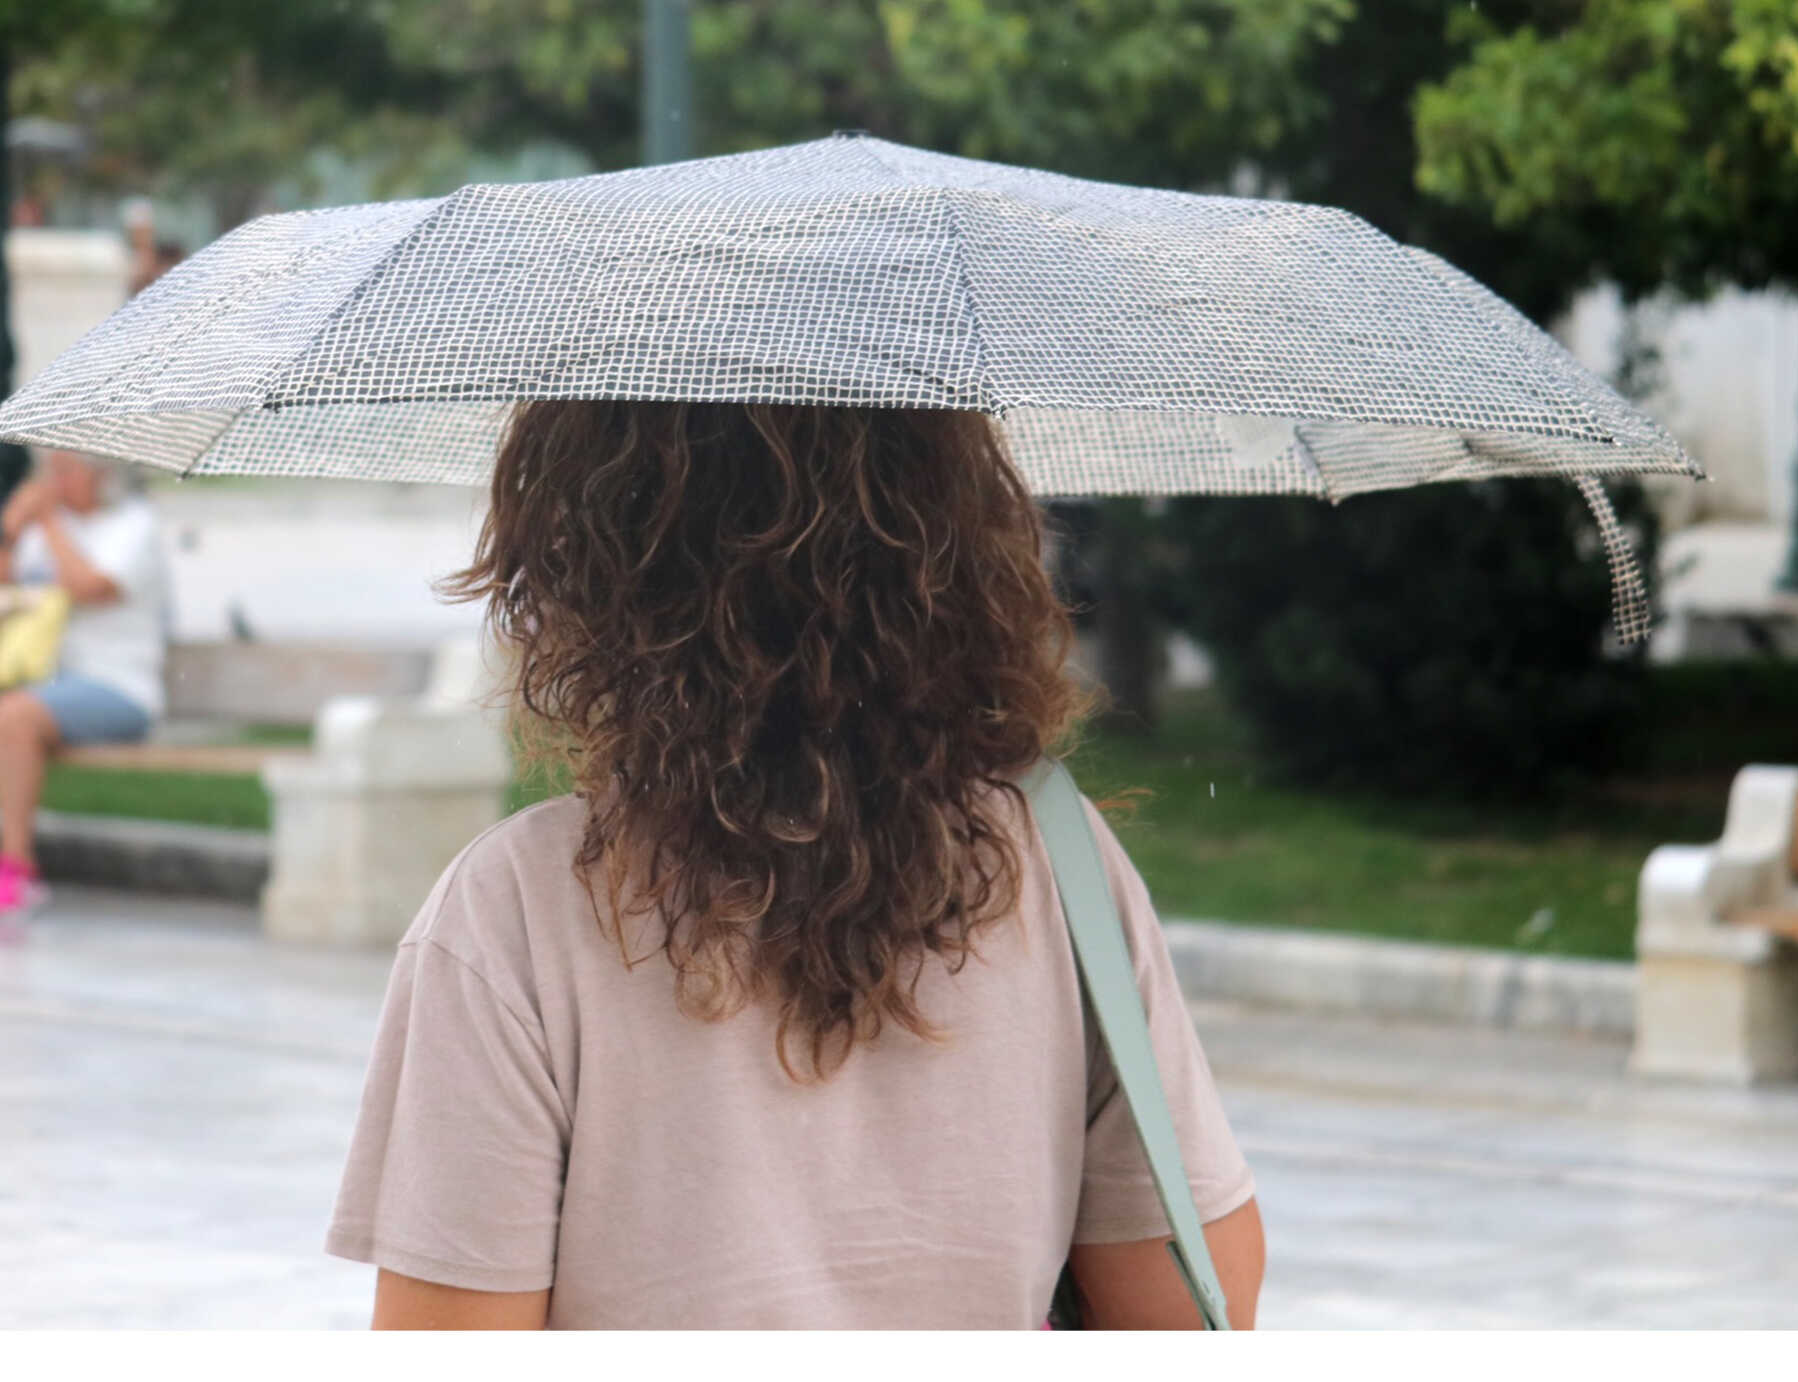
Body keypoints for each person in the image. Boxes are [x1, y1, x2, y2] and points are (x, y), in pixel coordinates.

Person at [326, 402, 1266, 1330]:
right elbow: (1189, 1300)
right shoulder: (1056, 856)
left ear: (591, 557)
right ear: (955, 542)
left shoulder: (518, 907)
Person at [0, 449, 166, 916]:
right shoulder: (37, 535)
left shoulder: (134, 527)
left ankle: (18, 867)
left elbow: (90, 589)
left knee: (13, 715)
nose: (55, 482)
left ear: (103, 475)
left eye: (67, 471)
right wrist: (10, 539)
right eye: (50, 471)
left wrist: (49, 524)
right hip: (37, 682)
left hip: (116, 686)